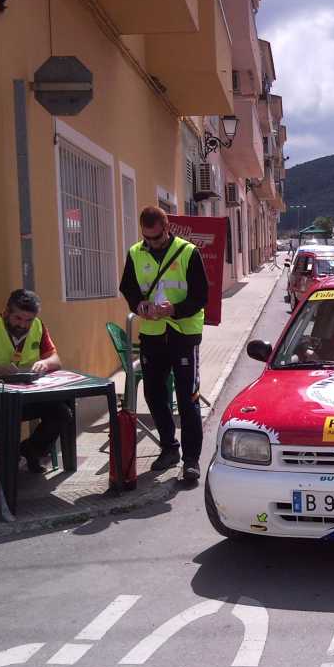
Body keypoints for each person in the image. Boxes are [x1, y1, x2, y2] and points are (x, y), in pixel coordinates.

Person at [119, 206, 209, 482]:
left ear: (167, 228)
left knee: (187, 399)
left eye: (156, 239)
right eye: (147, 238)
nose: (151, 243)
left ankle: (191, 461)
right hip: (153, 334)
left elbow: (201, 295)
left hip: (183, 334)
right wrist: (140, 304)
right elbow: (128, 287)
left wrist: (175, 310)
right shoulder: (136, 253)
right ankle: (169, 448)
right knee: (154, 395)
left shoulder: (188, 252)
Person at [0, 289, 69, 474]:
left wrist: (44, 363)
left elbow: (56, 361)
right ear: (6, 312)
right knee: (8, 419)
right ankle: (6, 464)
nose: (23, 325)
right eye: (18, 318)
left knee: (62, 413)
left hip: (28, 397)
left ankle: (31, 450)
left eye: (28, 320)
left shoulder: (38, 326)